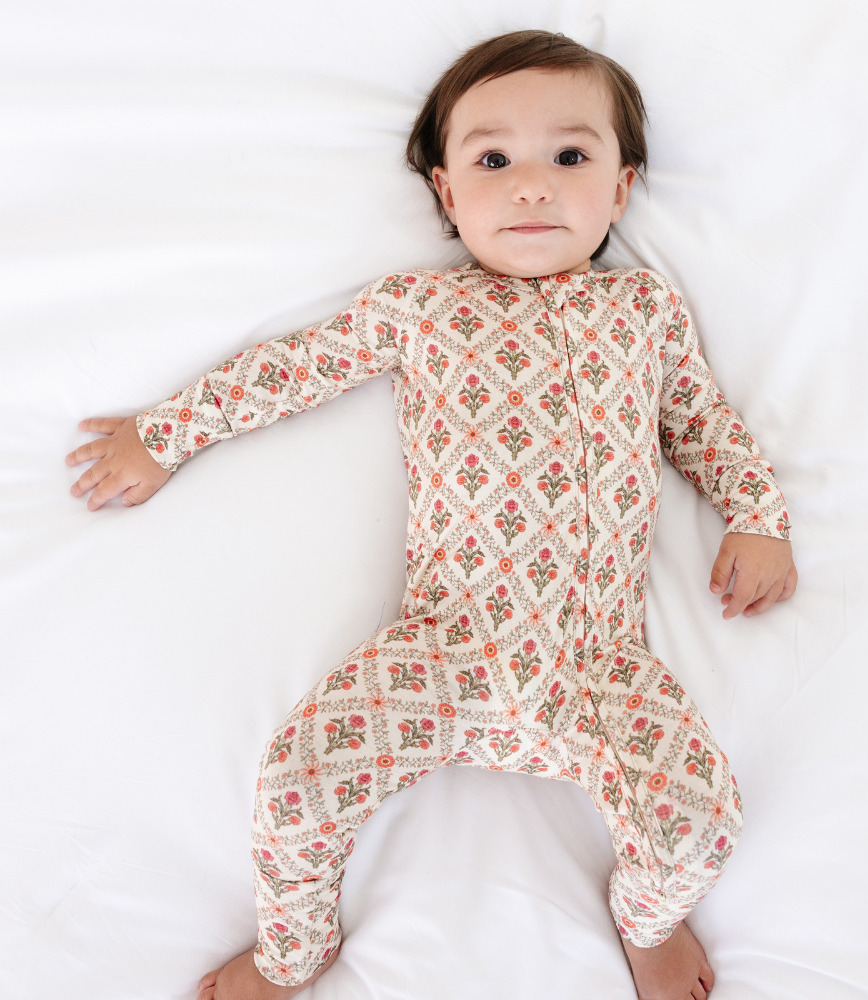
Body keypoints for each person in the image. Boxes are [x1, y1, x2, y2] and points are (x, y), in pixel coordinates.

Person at [65, 30, 796, 1000]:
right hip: (443, 646)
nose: (531, 184)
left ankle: (645, 918)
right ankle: (293, 950)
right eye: (493, 159)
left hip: (598, 661)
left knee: (697, 822)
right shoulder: (420, 307)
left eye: (570, 156)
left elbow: (703, 422)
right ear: (448, 194)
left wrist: (756, 514)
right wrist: (165, 433)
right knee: (296, 784)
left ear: (620, 189)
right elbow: (290, 369)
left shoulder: (643, 313)